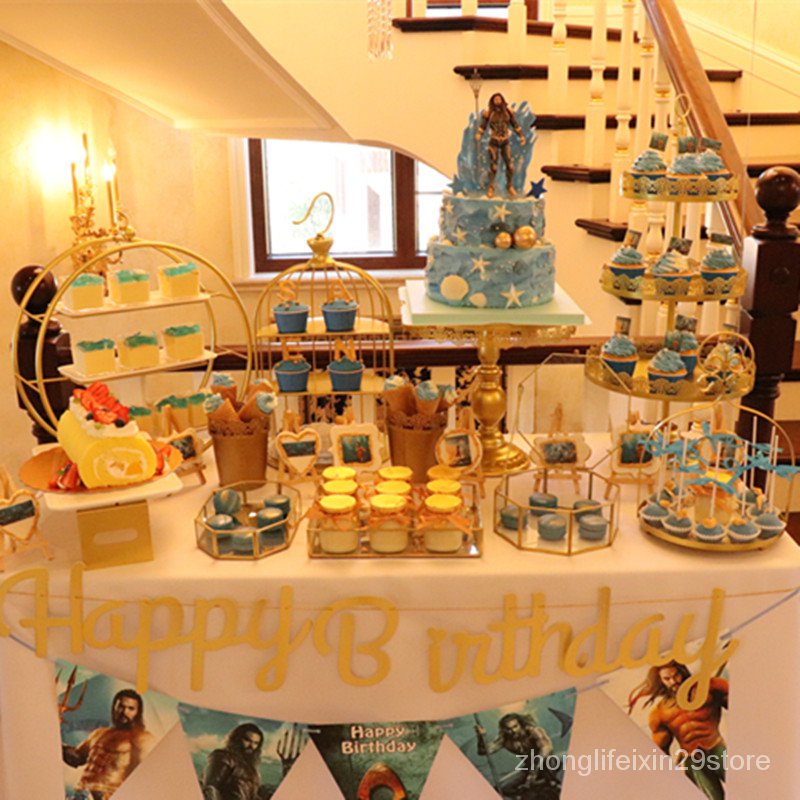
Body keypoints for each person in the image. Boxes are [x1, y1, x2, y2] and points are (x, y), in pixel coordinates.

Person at [628, 660, 728, 800]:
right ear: (660, 681)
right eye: (667, 679)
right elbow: (660, 751)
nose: (673, 681)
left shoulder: (708, 688)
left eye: (676, 676)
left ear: (682, 672)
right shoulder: (660, 714)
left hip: (717, 749)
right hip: (693, 761)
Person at [62, 689, 155, 800]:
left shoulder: (143, 739)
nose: (124, 712)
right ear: (114, 708)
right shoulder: (99, 733)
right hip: (82, 794)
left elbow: (146, 778)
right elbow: (77, 758)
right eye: (121, 706)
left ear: (138, 713)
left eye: (131, 708)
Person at [203, 722, 303, 800]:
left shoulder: (250, 767)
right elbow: (210, 790)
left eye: (256, 743)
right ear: (237, 738)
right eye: (247, 740)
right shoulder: (223, 756)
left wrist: (287, 768)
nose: (252, 746)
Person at [475, 712, 560, 800]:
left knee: (548, 768)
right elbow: (483, 751)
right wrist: (480, 737)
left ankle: (551, 785)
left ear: (521, 725)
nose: (513, 731)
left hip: (547, 764)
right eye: (509, 729)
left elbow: (546, 748)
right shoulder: (505, 739)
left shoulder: (534, 732)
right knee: (500, 789)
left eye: (515, 726)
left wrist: (533, 772)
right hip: (528, 768)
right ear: (504, 729)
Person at [475, 93, 526, 198]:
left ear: (502, 100)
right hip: (493, 141)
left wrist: (521, 136)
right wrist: (479, 133)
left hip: (505, 141)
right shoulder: (489, 113)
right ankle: (491, 187)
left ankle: (509, 185)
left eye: (499, 99)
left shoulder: (508, 112)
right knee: (493, 166)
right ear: (492, 101)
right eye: (495, 99)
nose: (497, 101)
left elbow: (515, 125)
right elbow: (483, 125)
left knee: (510, 166)